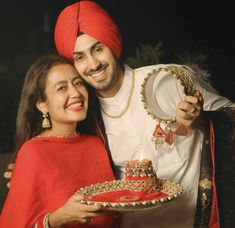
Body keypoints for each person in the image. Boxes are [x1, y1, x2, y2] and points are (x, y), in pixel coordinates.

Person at [52, 1, 235, 228]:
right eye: (79, 57)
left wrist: (202, 121)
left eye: (98, 49)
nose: (93, 64)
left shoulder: (166, 80)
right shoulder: (87, 118)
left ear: (112, 44)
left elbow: (231, 114)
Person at [0, 54, 117, 227]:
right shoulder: (33, 153)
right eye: (62, 88)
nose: (76, 93)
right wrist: (57, 218)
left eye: (78, 83)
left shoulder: (95, 144)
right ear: (42, 105)